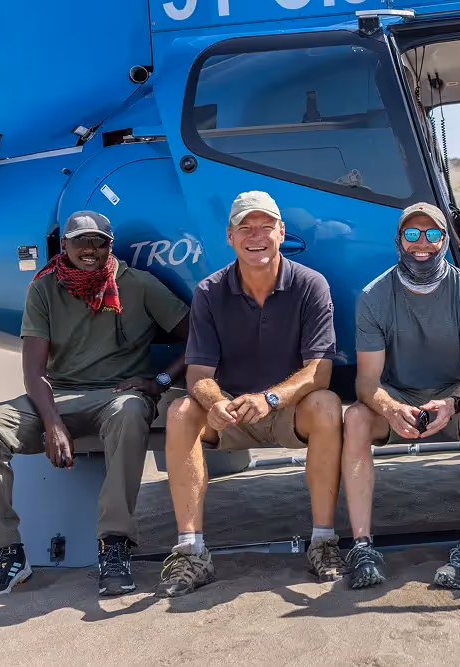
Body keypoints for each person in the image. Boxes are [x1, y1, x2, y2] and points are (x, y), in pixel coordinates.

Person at [0, 211, 190, 599]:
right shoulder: (44, 289)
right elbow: (34, 371)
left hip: (118, 396)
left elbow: (198, 336)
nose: (90, 249)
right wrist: (52, 423)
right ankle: (7, 553)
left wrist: (159, 382)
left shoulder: (139, 285)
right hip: (60, 396)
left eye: (99, 241)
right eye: (81, 241)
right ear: (63, 245)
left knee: (131, 410)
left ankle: (113, 545)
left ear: (110, 245)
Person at [156, 191, 344, 598]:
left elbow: (320, 371)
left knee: (328, 406)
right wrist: (215, 402)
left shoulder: (311, 285)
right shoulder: (209, 291)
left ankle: (324, 541)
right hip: (232, 413)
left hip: (287, 411)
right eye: (245, 227)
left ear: (281, 232)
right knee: (180, 412)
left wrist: (271, 399)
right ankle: (191, 551)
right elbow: (199, 374)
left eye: (265, 226)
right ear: (229, 236)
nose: (255, 236)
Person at [342, 202, 460, 590]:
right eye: (412, 234)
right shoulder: (374, 296)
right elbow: (365, 382)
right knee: (357, 418)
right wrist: (390, 407)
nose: (422, 243)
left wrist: (452, 405)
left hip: (452, 395)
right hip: (397, 395)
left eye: (433, 234)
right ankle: (361, 545)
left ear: (446, 240)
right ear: (399, 241)